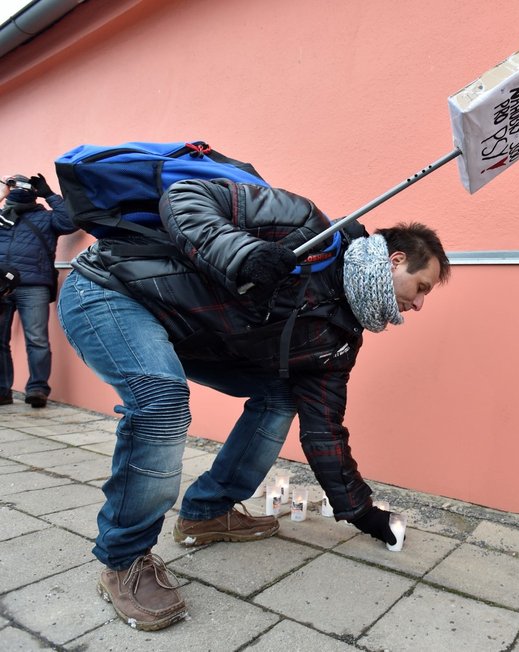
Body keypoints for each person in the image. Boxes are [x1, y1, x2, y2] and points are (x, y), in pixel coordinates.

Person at [56, 177, 450, 631]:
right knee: (162, 401)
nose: (419, 305)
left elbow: (324, 431)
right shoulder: (307, 227)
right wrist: (242, 254)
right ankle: (124, 560)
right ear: (396, 260)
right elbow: (185, 195)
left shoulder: (336, 339)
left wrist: (362, 513)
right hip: (112, 289)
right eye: (421, 287)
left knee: (279, 394)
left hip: (187, 331)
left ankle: (207, 512)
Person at [0, 173, 77, 408]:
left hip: (34, 286)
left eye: (16, 185)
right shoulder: (2, 217)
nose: (13, 189)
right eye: (9, 185)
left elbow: (71, 221)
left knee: (37, 339)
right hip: (1, 286)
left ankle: (37, 389)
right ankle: (3, 391)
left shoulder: (46, 218)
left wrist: (49, 194)